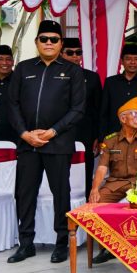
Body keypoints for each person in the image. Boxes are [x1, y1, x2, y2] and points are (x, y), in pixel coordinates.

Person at [6, 20, 85, 264]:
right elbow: (12, 104)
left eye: (54, 39)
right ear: (36, 42)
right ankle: (26, 243)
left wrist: (52, 132)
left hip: (58, 144)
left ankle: (62, 242)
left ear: (61, 44)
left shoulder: (72, 71)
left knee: (61, 194)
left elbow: (78, 109)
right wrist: (24, 134)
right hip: (28, 143)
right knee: (25, 194)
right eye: (44, 39)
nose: (48, 43)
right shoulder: (23, 68)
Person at [88, 97, 137, 264]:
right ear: (122, 118)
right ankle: (106, 247)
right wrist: (95, 189)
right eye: (135, 114)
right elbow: (102, 168)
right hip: (116, 183)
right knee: (96, 204)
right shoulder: (110, 140)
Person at [61, 37, 102, 194]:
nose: (75, 56)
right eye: (70, 53)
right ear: (61, 54)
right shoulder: (53, 75)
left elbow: (98, 109)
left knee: (85, 172)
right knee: (60, 172)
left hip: (86, 133)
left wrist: (98, 136)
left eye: (78, 52)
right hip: (60, 132)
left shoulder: (92, 77)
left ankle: (85, 204)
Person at [99, 43, 137, 138]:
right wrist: (101, 138)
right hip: (114, 137)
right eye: (128, 59)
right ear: (122, 61)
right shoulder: (111, 82)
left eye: (136, 59)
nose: (133, 62)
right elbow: (103, 113)